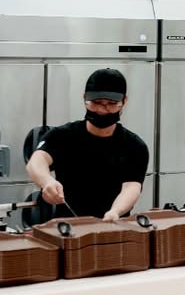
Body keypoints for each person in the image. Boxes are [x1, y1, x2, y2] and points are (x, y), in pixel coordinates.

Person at [26, 67, 149, 222]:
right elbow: (37, 161)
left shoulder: (134, 146)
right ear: (84, 98)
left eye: (111, 104)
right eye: (96, 103)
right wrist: (47, 181)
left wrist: (115, 212)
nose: (102, 110)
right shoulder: (63, 135)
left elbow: (131, 186)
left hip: (114, 226)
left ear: (124, 101)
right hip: (68, 229)